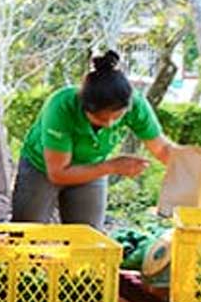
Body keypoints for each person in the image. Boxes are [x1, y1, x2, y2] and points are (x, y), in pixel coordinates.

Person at [12, 51, 177, 228]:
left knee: (88, 235)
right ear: (84, 107)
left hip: (92, 167)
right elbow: (58, 173)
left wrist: (190, 169)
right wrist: (113, 166)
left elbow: (162, 149)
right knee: (27, 232)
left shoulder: (136, 106)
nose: (109, 124)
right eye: (100, 118)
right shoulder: (61, 106)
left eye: (117, 117)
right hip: (42, 168)